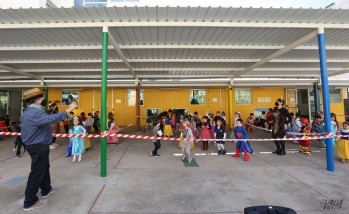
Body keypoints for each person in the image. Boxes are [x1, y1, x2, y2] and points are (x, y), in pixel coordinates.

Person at [20, 87, 77, 211]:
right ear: (36, 100)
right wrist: (68, 110)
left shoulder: (28, 112)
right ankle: (29, 201)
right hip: (38, 145)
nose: (43, 99)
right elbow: (50, 120)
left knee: (44, 166)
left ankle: (46, 189)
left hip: (36, 144)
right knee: (37, 172)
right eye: (41, 97)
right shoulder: (35, 113)